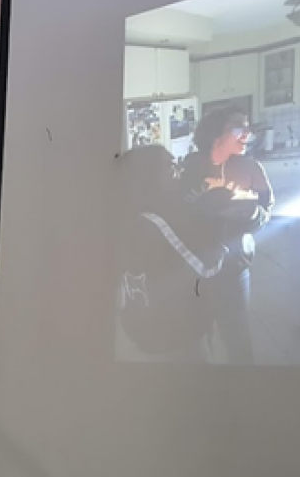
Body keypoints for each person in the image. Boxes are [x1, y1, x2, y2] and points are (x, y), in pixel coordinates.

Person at [116, 145, 229, 361]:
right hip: (174, 332)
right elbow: (207, 266)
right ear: (148, 174)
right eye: (170, 165)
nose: (178, 171)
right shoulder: (155, 222)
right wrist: (217, 220)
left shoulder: (131, 213)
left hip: (142, 322)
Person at [179, 110, 274, 363]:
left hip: (234, 267)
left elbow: (267, 208)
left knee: (238, 338)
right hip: (195, 266)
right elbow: (180, 211)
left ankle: (243, 392)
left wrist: (254, 215)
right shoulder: (191, 166)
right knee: (198, 337)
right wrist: (205, 194)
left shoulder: (251, 168)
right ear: (215, 134)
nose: (248, 133)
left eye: (247, 127)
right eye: (238, 127)